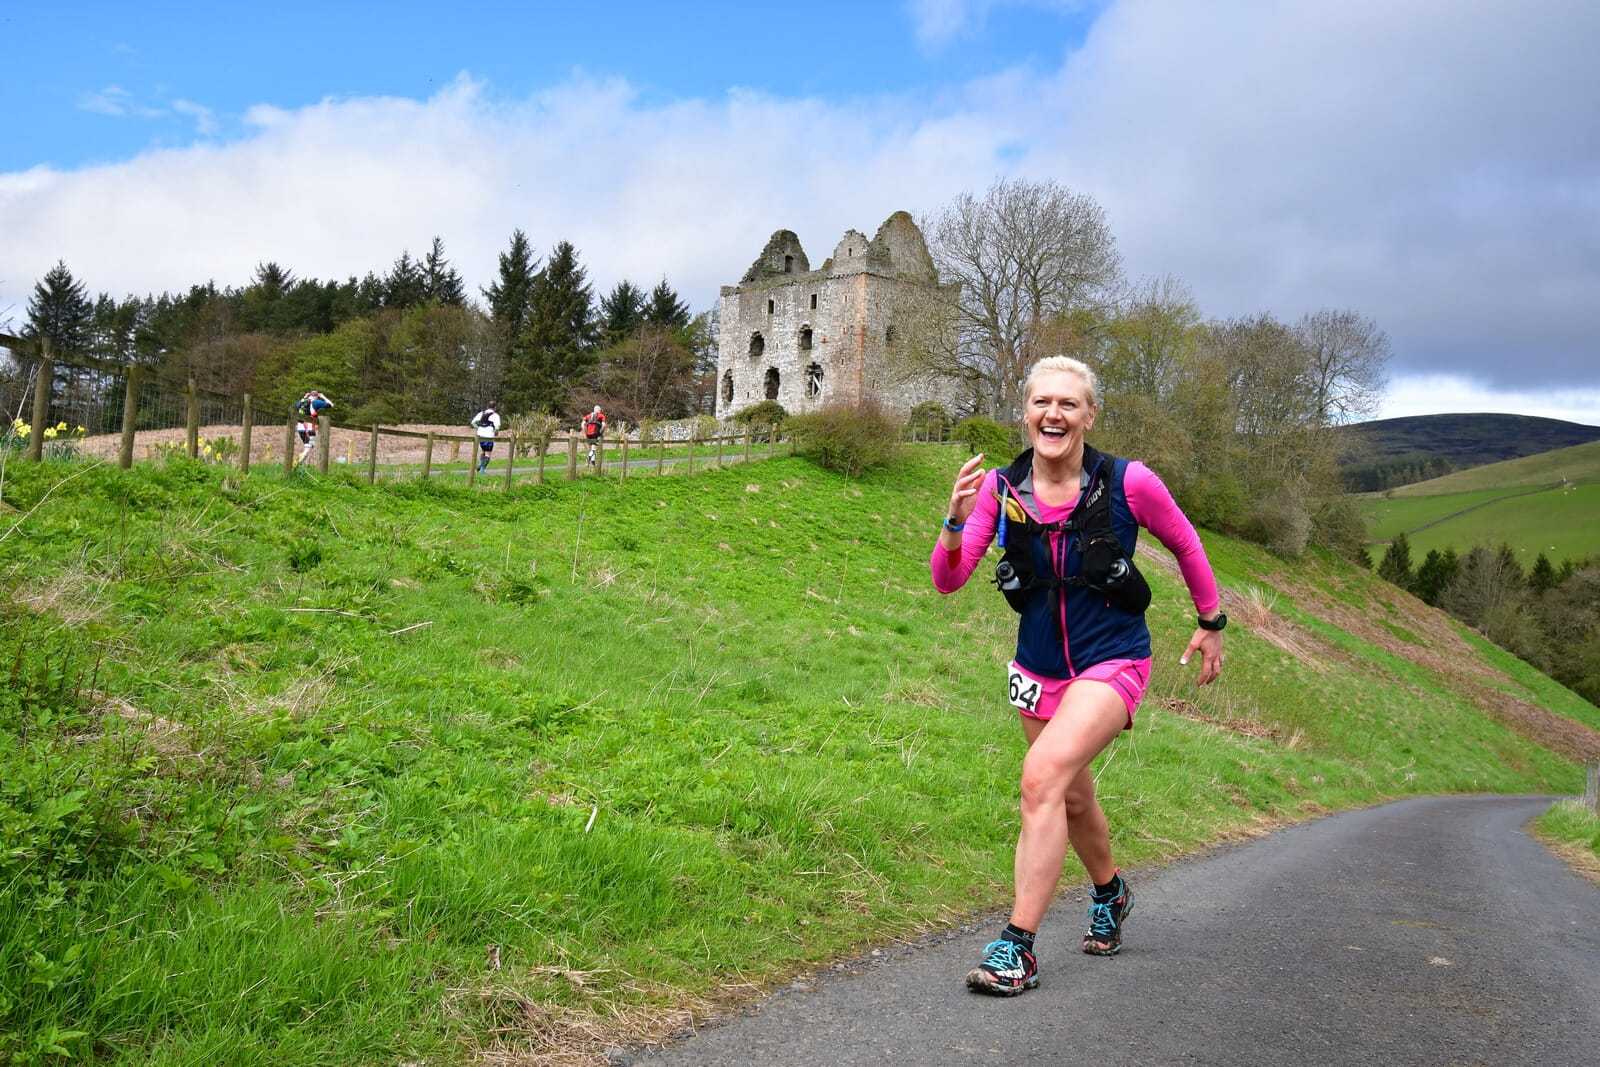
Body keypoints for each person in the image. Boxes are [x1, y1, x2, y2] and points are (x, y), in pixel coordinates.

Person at [931, 355, 1225, 996]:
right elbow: (948, 580)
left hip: (1113, 659)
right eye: (1042, 402)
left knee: (1040, 778)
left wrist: (1211, 621)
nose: (1053, 414)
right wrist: (954, 522)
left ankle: (1018, 948)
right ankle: (1110, 892)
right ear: (1027, 412)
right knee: (1070, 794)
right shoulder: (1000, 490)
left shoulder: (1129, 482)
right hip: (1037, 668)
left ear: (1089, 415)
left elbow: (1186, 542)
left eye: (1068, 404)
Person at [294, 390, 333, 467]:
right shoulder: (316, 402)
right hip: (310, 427)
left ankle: (302, 464)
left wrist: (304, 397)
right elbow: (331, 405)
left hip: (300, 427)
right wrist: (323, 397)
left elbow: (296, 406)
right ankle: (297, 464)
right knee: (308, 447)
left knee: (308, 446)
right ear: (316, 396)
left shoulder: (301, 402)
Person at [471, 403, 501, 473]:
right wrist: (496, 432)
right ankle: (481, 469)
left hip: (480, 435)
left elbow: (473, 422)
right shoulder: (495, 415)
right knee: (488, 454)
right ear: (495, 407)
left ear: (488, 407)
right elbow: (497, 426)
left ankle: (480, 465)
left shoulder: (481, 413)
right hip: (489, 435)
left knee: (484, 451)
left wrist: (478, 428)